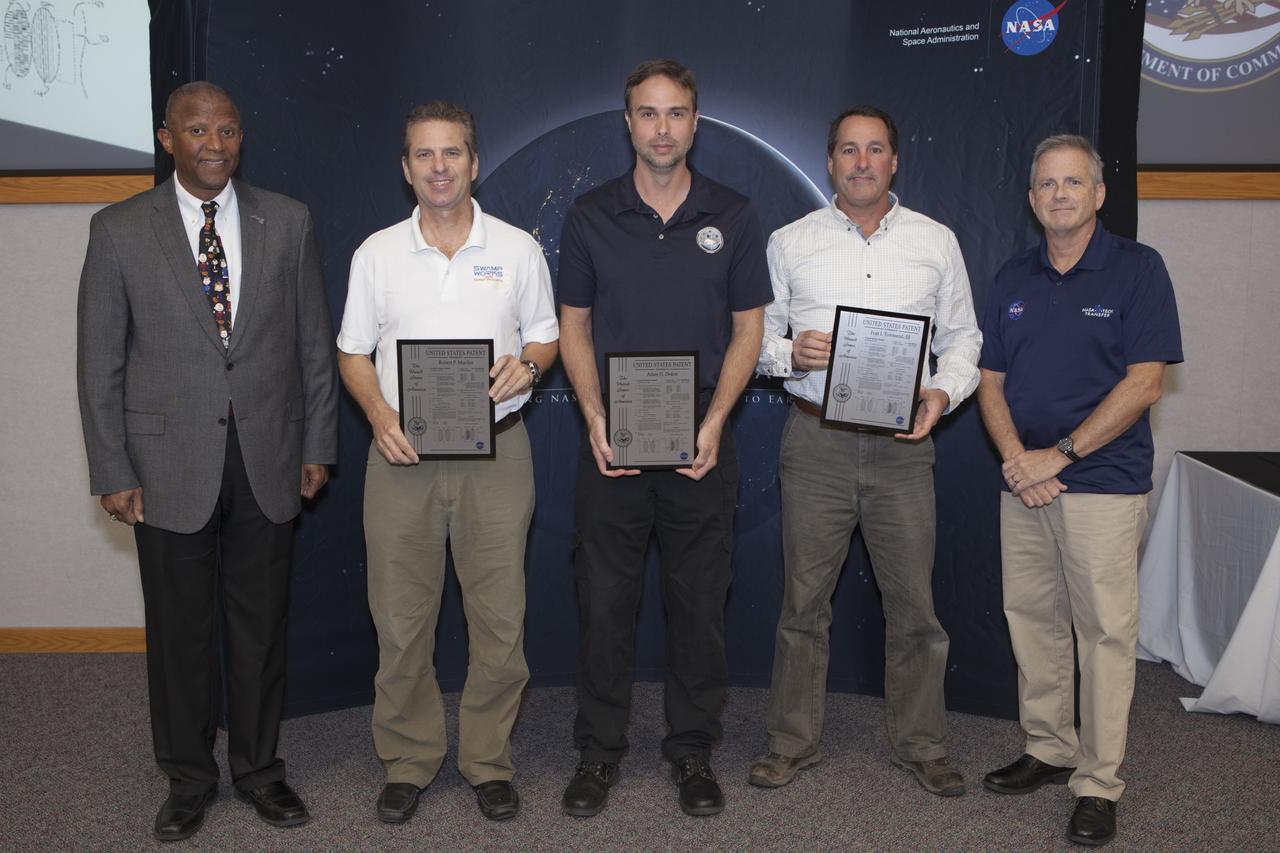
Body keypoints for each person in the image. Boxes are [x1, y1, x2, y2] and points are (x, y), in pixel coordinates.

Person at [76, 81, 338, 841]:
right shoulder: (120, 229)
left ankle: (260, 770)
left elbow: (312, 344)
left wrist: (318, 443)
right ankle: (188, 778)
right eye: (197, 129)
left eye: (227, 128)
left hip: (270, 456)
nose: (214, 142)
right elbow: (99, 364)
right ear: (168, 139)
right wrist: (112, 468)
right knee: (180, 632)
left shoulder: (287, 220)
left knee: (260, 628)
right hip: (163, 467)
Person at [556, 59, 772, 818]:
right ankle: (598, 753)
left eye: (676, 113)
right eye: (648, 113)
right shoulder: (589, 214)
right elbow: (572, 326)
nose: (662, 128)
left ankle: (691, 751)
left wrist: (715, 421)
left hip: (701, 446)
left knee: (699, 608)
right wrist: (592, 414)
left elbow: (751, 330)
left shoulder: (734, 214)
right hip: (610, 449)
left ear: (695, 122)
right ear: (628, 122)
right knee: (605, 605)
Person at [336, 101, 558, 824]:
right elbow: (352, 352)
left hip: (497, 452)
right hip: (401, 456)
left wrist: (526, 365)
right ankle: (408, 759)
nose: (439, 167)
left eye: (452, 153)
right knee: (400, 621)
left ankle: (488, 759)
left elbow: (547, 338)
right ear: (406, 169)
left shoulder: (519, 249)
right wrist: (380, 416)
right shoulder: (375, 254)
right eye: (424, 155)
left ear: (474, 162)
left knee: (500, 621)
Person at [751, 105, 981, 797]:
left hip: (903, 445)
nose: (860, 162)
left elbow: (964, 339)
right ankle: (791, 740)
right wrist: (789, 351)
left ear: (894, 161)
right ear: (829, 162)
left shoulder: (935, 242)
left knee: (914, 604)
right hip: (815, 439)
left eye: (874, 149)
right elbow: (753, 342)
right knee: (802, 603)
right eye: (847, 150)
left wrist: (941, 394)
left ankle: (923, 743)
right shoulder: (790, 242)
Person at [977, 134, 1182, 847]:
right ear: (1032, 199)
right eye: (1046, 184)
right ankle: (1048, 746)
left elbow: (1145, 382)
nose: (1059, 194)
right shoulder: (1012, 277)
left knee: (1103, 633)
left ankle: (1098, 781)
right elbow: (991, 380)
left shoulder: (1137, 270)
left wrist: (1056, 455)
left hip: (1101, 483)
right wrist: (1015, 459)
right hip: (1024, 484)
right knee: (1032, 617)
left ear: (1098, 194)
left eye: (1073, 183)